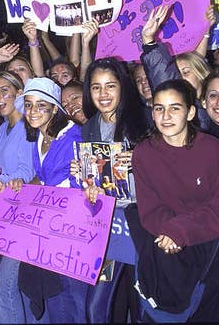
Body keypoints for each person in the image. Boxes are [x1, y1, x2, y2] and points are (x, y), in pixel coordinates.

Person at [126, 79, 219, 322]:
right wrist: (170, 235)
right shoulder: (144, 152)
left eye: (174, 108)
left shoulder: (212, 149)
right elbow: (150, 207)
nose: (166, 116)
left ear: (190, 112)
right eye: (159, 108)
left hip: (207, 251)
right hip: (165, 250)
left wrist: (180, 231)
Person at [78, 57, 149, 323]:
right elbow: (91, 183)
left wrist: (142, 158)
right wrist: (83, 179)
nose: (103, 94)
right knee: (95, 306)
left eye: (110, 86)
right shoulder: (89, 127)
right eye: (96, 87)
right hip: (107, 229)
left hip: (142, 226)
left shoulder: (144, 119)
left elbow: (170, 165)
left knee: (143, 307)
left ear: (123, 87)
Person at [13, 77, 87, 323]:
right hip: (50, 227)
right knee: (55, 294)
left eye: (41, 105)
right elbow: (43, 177)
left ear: (55, 108)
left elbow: (80, 185)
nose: (33, 111)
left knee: (72, 298)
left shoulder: (73, 136)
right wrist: (23, 186)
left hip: (71, 230)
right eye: (29, 105)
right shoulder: (39, 136)